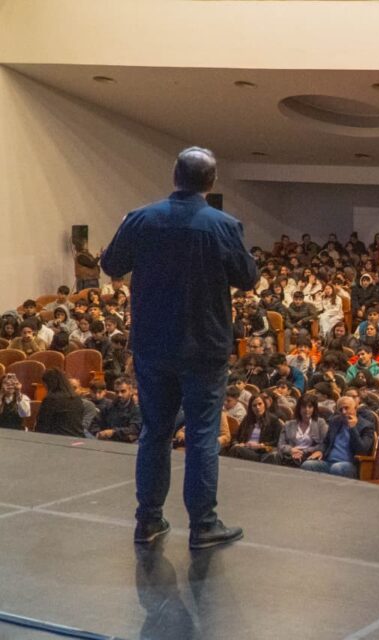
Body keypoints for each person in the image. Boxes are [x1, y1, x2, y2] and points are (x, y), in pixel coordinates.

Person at [101, 146, 258, 549]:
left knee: (154, 431)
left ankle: (148, 521)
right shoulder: (224, 225)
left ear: (174, 175)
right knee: (203, 434)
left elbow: (111, 266)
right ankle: (203, 525)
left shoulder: (140, 219)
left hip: (152, 344)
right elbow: (248, 278)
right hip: (205, 346)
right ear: (212, 182)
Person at [300, 396, 375, 478]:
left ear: (355, 408)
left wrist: (352, 428)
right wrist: (320, 451)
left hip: (349, 465)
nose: (343, 412)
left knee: (337, 468)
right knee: (307, 465)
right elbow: (326, 442)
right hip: (328, 462)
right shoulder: (335, 421)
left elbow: (362, 450)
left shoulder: (366, 426)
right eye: (340, 409)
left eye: (346, 408)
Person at [35, 369, 85, 438]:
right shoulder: (77, 398)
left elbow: (42, 425)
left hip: (58, 440)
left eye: (45, 385)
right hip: (78, 438)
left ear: (49, 384)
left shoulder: (51, 399)